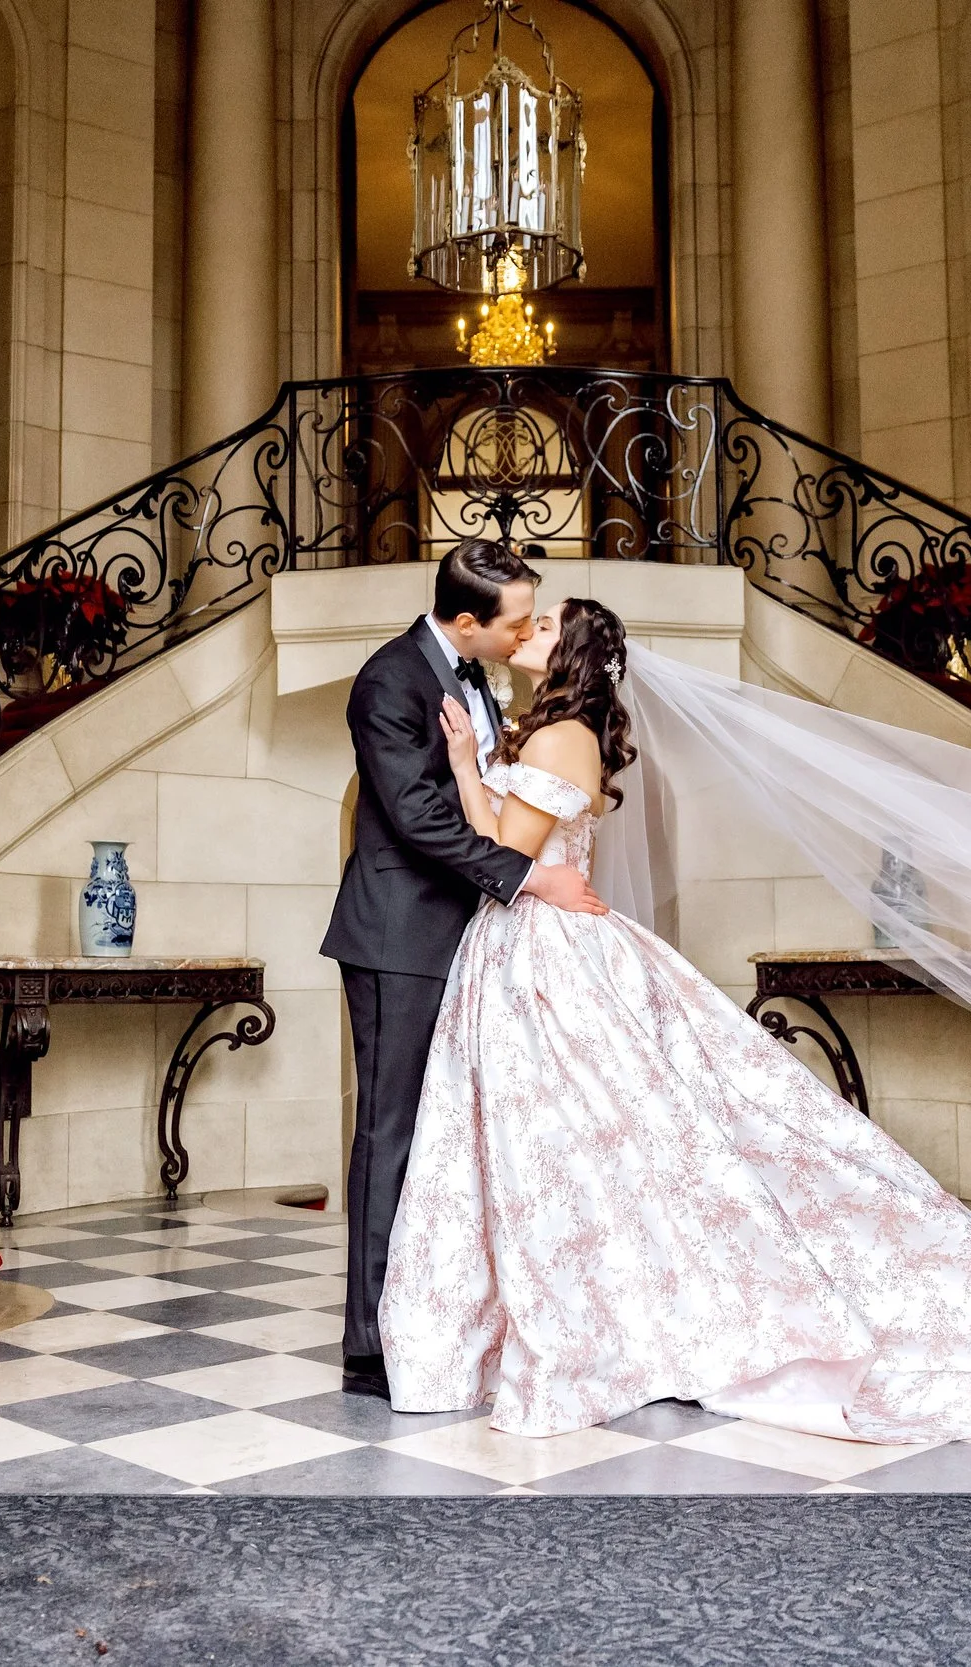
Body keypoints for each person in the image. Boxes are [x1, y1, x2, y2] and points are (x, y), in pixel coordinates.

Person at [376, 596, 971, 1443]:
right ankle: (610, 1297)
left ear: (573, 654)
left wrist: (463, 770)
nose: (526, 632)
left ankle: (611, 1314)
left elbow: (500, 850)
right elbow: (515, 848)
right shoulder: (564, 732)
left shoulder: (556, 736)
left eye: (543, 626)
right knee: (594, 1142)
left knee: (582, 1140)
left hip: (544, 948)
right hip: (543, 944)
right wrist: (480, 776)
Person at [318, 539, 609, 1399]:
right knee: (393, 1132)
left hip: (474, 939)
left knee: (455, 1140)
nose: (523, 633)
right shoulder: (390, 680)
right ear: (470, 620)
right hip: (401, 936)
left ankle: (444, 1316)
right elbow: (417, 818)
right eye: (516, 621)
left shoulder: (479, 678)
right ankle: (372, 1342)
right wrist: (533, 878)